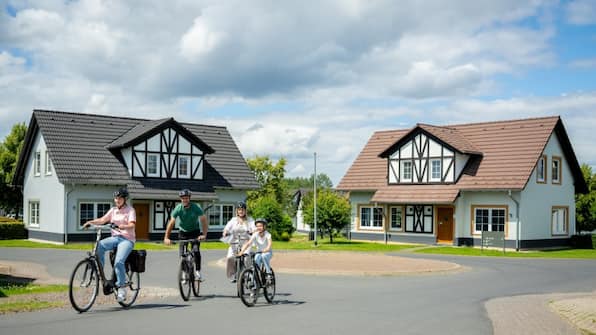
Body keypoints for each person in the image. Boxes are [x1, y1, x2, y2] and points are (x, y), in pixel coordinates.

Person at [83, 188, 136, 302]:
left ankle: (121, 288)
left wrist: (123, 226)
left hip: (127, 239)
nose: (117, 200)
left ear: (124, 199)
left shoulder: (130, 210)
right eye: (116, 198)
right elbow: (102, 220)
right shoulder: (113, 210)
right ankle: (99, 270)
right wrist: (90, 222)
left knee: (118, 262)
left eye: (120, 198)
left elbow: (132, 224)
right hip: (115, 238)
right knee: (100, 246)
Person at [163, 189, 208, 281]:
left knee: (195, 251)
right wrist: (166, 237)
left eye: (186, 198)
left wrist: (204, 234)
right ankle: (184, 272)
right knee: (182, 254)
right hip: (183, 232)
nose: (185, 200)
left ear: (189, 198)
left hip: (195, 232)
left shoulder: (196, 207)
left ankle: (198, 271)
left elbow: (203, 220)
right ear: (181, 199)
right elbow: (171, 223)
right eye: (183, 198)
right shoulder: (178, 208)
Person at [222, 201, 255, 282]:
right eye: (239, 209)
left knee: (246, 258)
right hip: (234, 242)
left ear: (245, 211)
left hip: (245, 242)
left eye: (242, 209)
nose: (241, 211)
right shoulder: (233, 220)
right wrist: (225, 232)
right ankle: (232, 274)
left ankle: (248, 273)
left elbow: (254, 228)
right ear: (237, 211)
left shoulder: (250, 220)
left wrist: (252, 232)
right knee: (230, 258)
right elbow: (227, 228)